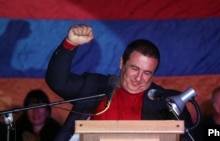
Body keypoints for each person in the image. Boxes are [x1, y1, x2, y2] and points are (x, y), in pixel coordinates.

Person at [45, 24, 197, 141]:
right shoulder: (94, 86)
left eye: (146, 73)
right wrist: (70, 43)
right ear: (122, 63)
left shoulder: (167, 104)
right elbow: (57, 81)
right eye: (135, 68)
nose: (138, 78)